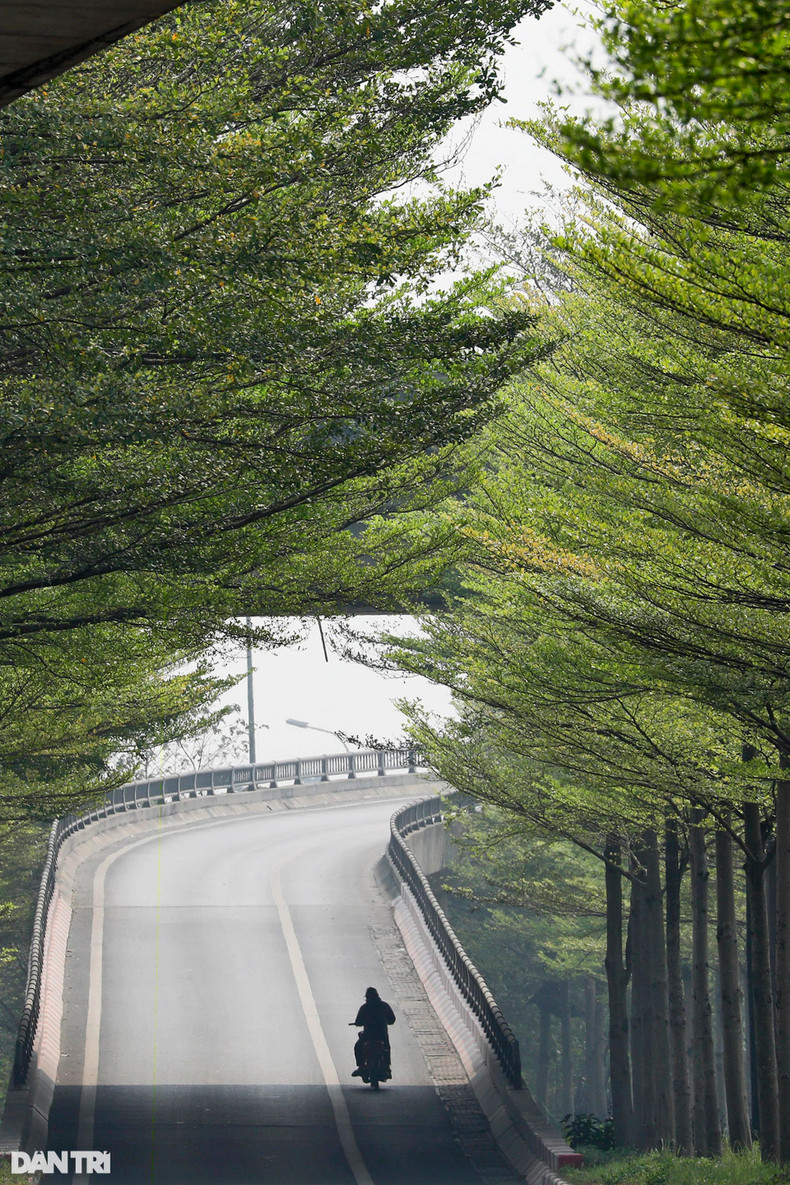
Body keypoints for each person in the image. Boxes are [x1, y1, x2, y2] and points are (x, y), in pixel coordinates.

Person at [351, 986, 395, 1077]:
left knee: (358, 1046)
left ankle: (361, 1067)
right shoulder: (384, 1006)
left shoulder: (364, 1007)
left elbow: (359, 1021)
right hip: (382, 1034)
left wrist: (357, 1023)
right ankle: (387, 1066)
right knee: (387, 1047)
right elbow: (392, 1019)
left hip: (368, 1035)